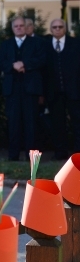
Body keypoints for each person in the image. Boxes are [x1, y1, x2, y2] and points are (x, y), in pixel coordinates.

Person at [0, 15, 46, 161]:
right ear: (12, 29)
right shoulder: (6, 44)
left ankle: (31, 156)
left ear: (26, 27)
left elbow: (42, 60)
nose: (19, 28)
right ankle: (13, 155)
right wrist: (12, 65)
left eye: (21, 26)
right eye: (16, 26)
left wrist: (25, 65)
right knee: (13, 123)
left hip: (30, 89)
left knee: (31, 123)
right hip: (12, 90)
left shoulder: (37, 43)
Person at [44, 18, 80, 160]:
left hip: (74, 91)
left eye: (60, 27)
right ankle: (60, 152)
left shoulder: (76, 44)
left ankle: (78, 153)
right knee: (58, 123)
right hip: (54, 92)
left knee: (77, 122)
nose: (58, 29)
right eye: (55, 27)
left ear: (65, 28)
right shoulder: (45, 45)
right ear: (51, 29)